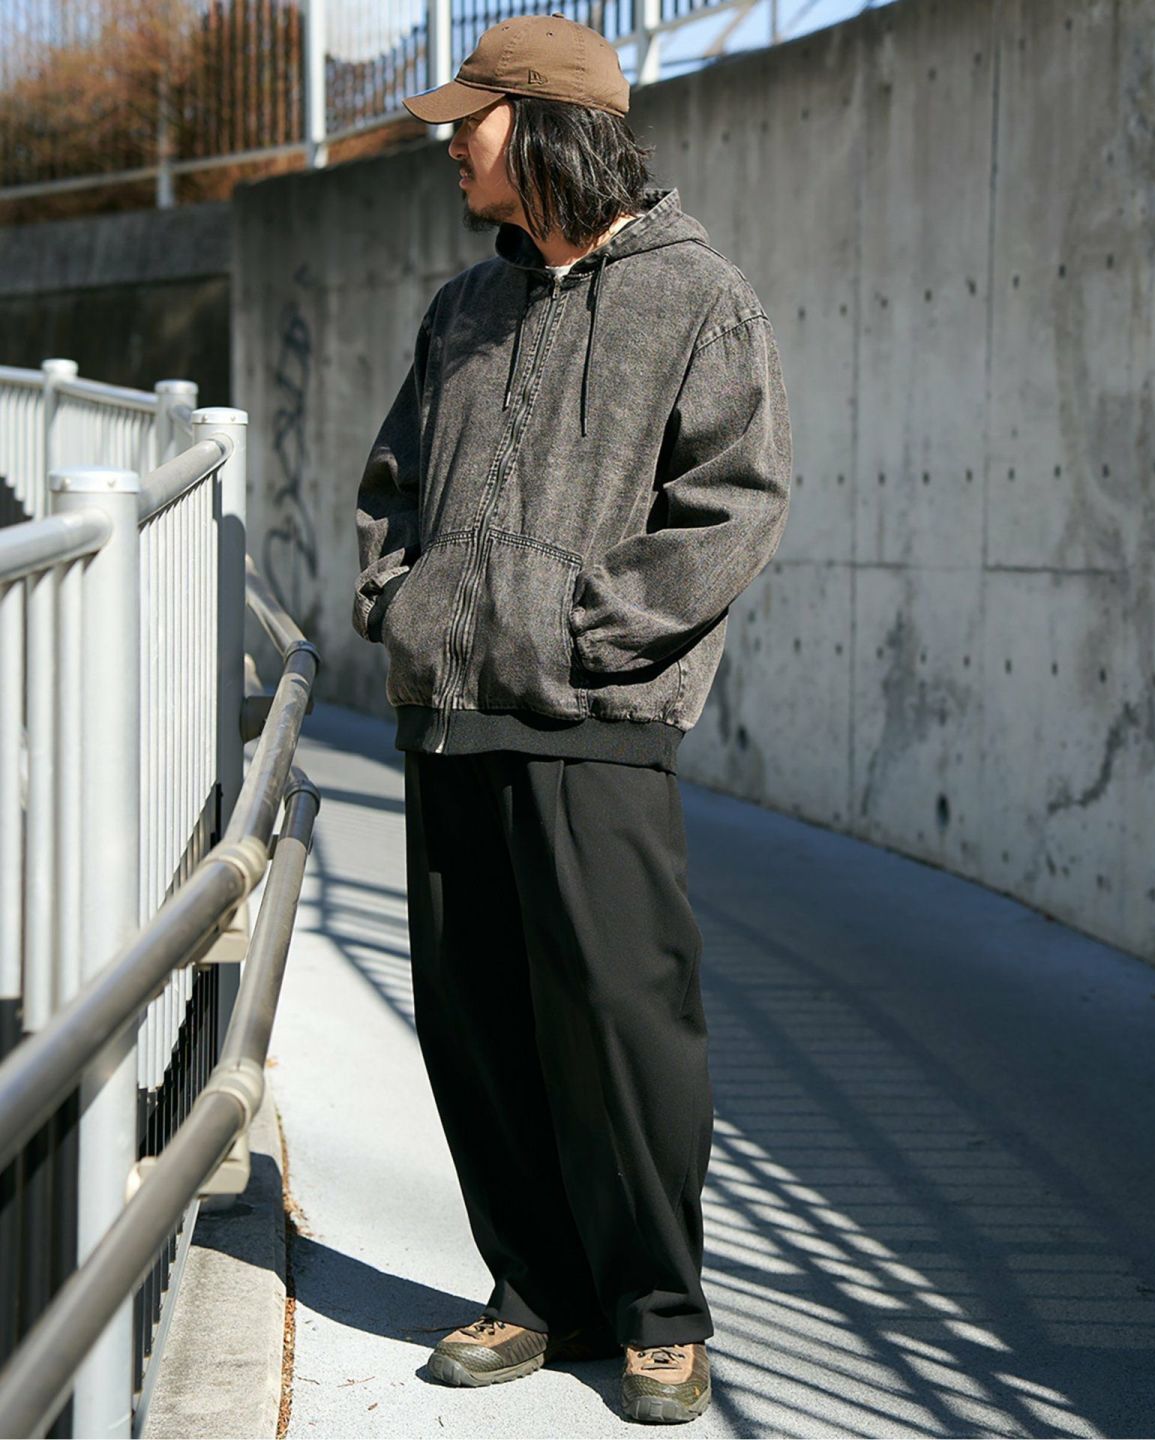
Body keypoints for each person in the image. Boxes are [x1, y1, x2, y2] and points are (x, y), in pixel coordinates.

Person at [352, 11, 792, 1424]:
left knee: (620, 1019)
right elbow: (391, 486)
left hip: (595, 719)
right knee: (475, 1022)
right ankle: (535, 1290)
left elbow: (733, 504)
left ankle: (659, 1310)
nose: (450, 147)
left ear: (539, 128)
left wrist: (581, 635)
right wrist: (404, 606)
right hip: (448, 714)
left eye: (468, 122)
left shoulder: (696, 298)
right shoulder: (462, 308)